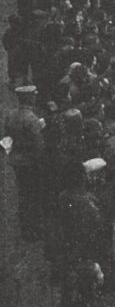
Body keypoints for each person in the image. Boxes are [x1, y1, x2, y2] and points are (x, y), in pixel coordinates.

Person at [2, 85, 46, 239]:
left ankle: (24, 226)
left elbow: (7, 138)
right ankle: (32, 229)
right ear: (30, 98)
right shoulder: (32, 118)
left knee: (23, 192)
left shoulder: (10, 115)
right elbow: (39, 144)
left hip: (17, 161)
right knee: (33, 195)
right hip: (31, 162)